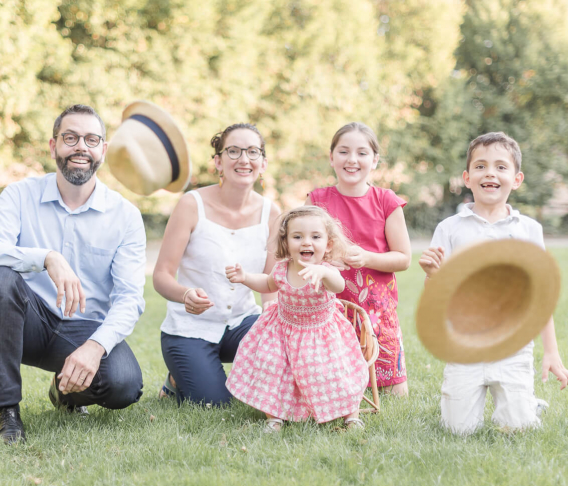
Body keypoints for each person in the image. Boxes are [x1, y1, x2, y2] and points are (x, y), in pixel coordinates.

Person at [0, 104, 146, 444]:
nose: (81, 146)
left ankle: (65, 392)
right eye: (70, 138)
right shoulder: (20, 195)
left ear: (103, 151)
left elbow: (129, 298)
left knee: (123, 383)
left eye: (92, 139)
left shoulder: (124, 215)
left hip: (81, 329)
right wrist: (47, 257)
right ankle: (7, 412)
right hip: (25, 323)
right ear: (54, 146)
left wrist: (94, 347)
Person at [419, 132, 568, 435]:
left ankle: (527, 404)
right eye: (481, 166)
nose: (490, 172)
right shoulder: (449, 229)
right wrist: (432, 275)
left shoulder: (528, 230)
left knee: (518, 428)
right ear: (467, 177)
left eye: (501, 167)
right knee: (457, 431)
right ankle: (463, 405)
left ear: (516, 179)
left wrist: (552, 352)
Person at [153, 123, 280, 406]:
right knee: (216, 404)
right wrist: (185, 295)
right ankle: (176, 379)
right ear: (218, 162)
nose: (244, 159)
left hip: (243, 324)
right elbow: (161, 275)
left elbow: (271, 284)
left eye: (252, 152)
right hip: (190, 328)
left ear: (263, 163)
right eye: (233, 151)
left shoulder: (272, 214)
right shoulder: (191, 204)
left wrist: (274, 335)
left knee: (271, 383)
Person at [224, 206, 369, 432]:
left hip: (321, 335)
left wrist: (324, 273)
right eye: (297, 236)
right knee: (270, 365)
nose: (306, 242)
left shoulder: (326, 270)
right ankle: (274, 416)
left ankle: (351, 415)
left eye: (315, 237)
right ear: (287, 242)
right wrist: (245, 278)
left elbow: (338, 284)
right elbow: (267, 284)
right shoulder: (282, 269)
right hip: (283, 331)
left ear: (328, 244)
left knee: (335, 372)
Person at [307, 122, 412, 396]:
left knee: (394, 392)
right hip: (330, 301)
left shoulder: (386, 201)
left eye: (362, 153)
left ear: (374, 160)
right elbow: (302, 250)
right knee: (331, 384)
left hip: (376, 306)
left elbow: (403, 258)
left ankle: (383, 381)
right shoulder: (317, 200)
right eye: (343, 152)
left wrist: (366, 257)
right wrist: (326, 257)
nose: (352, 160)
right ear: (332, 158)